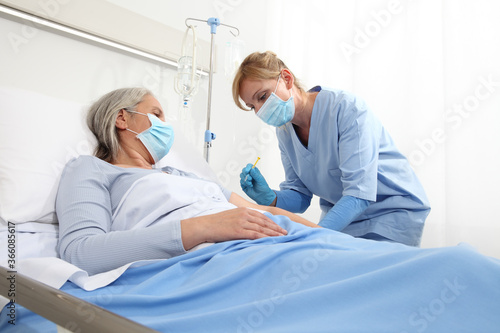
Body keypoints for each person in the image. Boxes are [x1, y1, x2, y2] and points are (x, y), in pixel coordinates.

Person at [56, 87, 318, 276]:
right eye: (156, 114)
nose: (165, 126)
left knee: (351, 256)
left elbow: (265, 212)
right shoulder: (92, 169)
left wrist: (322, 232)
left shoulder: (181, 175)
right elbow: (81, 253)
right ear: (122, 118)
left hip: (281, 238)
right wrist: (203, 226)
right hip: (224, 258)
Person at [233, 51, 430, 246]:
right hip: (345, 220)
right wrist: (271, 198)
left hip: (392, 213)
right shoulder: (284, 131)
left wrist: (313, 236)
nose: (260, 110)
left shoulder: (347, 109)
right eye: (252, 106)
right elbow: (300, 196)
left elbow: (359, 194)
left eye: (263, 96)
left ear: (286, 78)